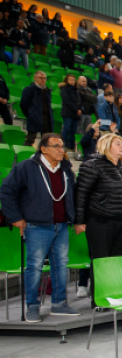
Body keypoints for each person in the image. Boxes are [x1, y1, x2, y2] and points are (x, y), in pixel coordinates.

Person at [0, 134, 79, 322]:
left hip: (61, 225)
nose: (61, 150)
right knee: (34, 267)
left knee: (60, 266)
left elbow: (72, 197)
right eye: (56, 146)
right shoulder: (27, 167)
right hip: (37, 226)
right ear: (43, 149)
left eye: (62, 146)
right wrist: (16, 218)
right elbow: (6, 191)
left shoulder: (66, 169)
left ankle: (59, 304)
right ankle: (32, 306)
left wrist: (75, 219)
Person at [75, 133, 122, 307]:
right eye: (118, 144)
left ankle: (114, 296)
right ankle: (99, 299)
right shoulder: (92, 165)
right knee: (102, 260)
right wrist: (80, 220)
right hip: (101, 220)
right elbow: (81, 194)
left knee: (117, 260)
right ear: (106, 145)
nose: (121, 147)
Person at [20, 71, 54, 146]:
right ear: (35, 78)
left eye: (44, 78)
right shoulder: (29, 89)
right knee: (30, 139)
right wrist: (30, 114)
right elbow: (23, 104)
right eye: (40, 78)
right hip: (34, 117)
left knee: (46, 142)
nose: (43, 80)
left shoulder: (47, 90)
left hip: (46, 118)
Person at [59, 74, 81, 151]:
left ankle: (71, 146)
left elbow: (79, 101)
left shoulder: (76, 90)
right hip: (67, 113)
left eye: (73, 80)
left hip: (75, 114)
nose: (72, 81)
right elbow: (67, 101)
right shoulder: (64, 89)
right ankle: (63, 144)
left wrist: (80, 109)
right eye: (70, 79)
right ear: (67, 80)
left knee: (73, 131)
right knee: (67, 129)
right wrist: (76, 109)